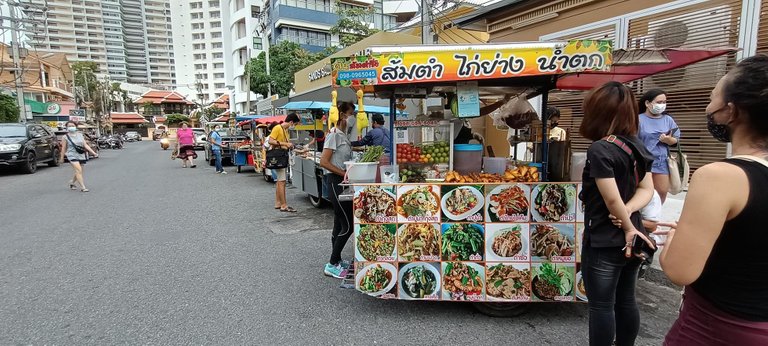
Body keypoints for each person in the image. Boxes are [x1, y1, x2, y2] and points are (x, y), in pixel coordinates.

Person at [660, 55, 768, 345]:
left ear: (730, 111)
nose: (709, 108)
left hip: (718, 327)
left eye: (711, 98)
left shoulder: (719, 176)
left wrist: (672, 240)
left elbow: (679, 270)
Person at [578, 81, 656, 346]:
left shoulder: (600, 148)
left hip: (605, 239)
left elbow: (610, 197)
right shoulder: (637, 145)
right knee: (626, 300)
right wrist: (630, 215)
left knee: (601, 306)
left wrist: (625, 223)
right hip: (633, 240)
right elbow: (647, 189)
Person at [319, 110, 354, 279]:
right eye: (350, 114)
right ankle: (331, 264)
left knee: (339, 224)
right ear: (341, 116)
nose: (352, 117)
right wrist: (343, 174)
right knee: (349, 225)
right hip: (335, 182)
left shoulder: (342, 135)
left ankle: (337, 260)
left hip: (341, 182)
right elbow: (324, 161)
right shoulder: (333, 135)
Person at [638, 89, 680, 203]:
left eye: (664, 102)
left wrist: (668, 140)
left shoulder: (668, 120)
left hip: (661, 162)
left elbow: (675, 140)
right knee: (642, 192)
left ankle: (654, 217)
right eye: (659, 102)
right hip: (642, 162)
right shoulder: (638, 119)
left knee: (661, 191)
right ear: (647, 103)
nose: (662, 105)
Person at [268, 113, 300, 212]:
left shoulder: (285, 130)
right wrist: (285, 143)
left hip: (281, 156)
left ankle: (278, 203)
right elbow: (270, 141)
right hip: (279, 157)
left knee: (279, 181)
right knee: (282, 182)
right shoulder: (278, 128)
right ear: (291, 122)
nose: (294, 126)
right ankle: (284, 205)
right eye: (295, 124)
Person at [59, 121, 98, 192]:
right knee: (78, 170)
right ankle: (83, 187)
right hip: (71, 155)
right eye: (69, 126)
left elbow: (85, 145)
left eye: (72, 126)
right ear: (67, 128)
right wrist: (62, 158)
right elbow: (63, 148)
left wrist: (93, 153)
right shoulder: (65, 137)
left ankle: (72, 182)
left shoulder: (80, 135)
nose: (71, 127)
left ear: (76, 127)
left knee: (79, 171)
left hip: (81, 155)